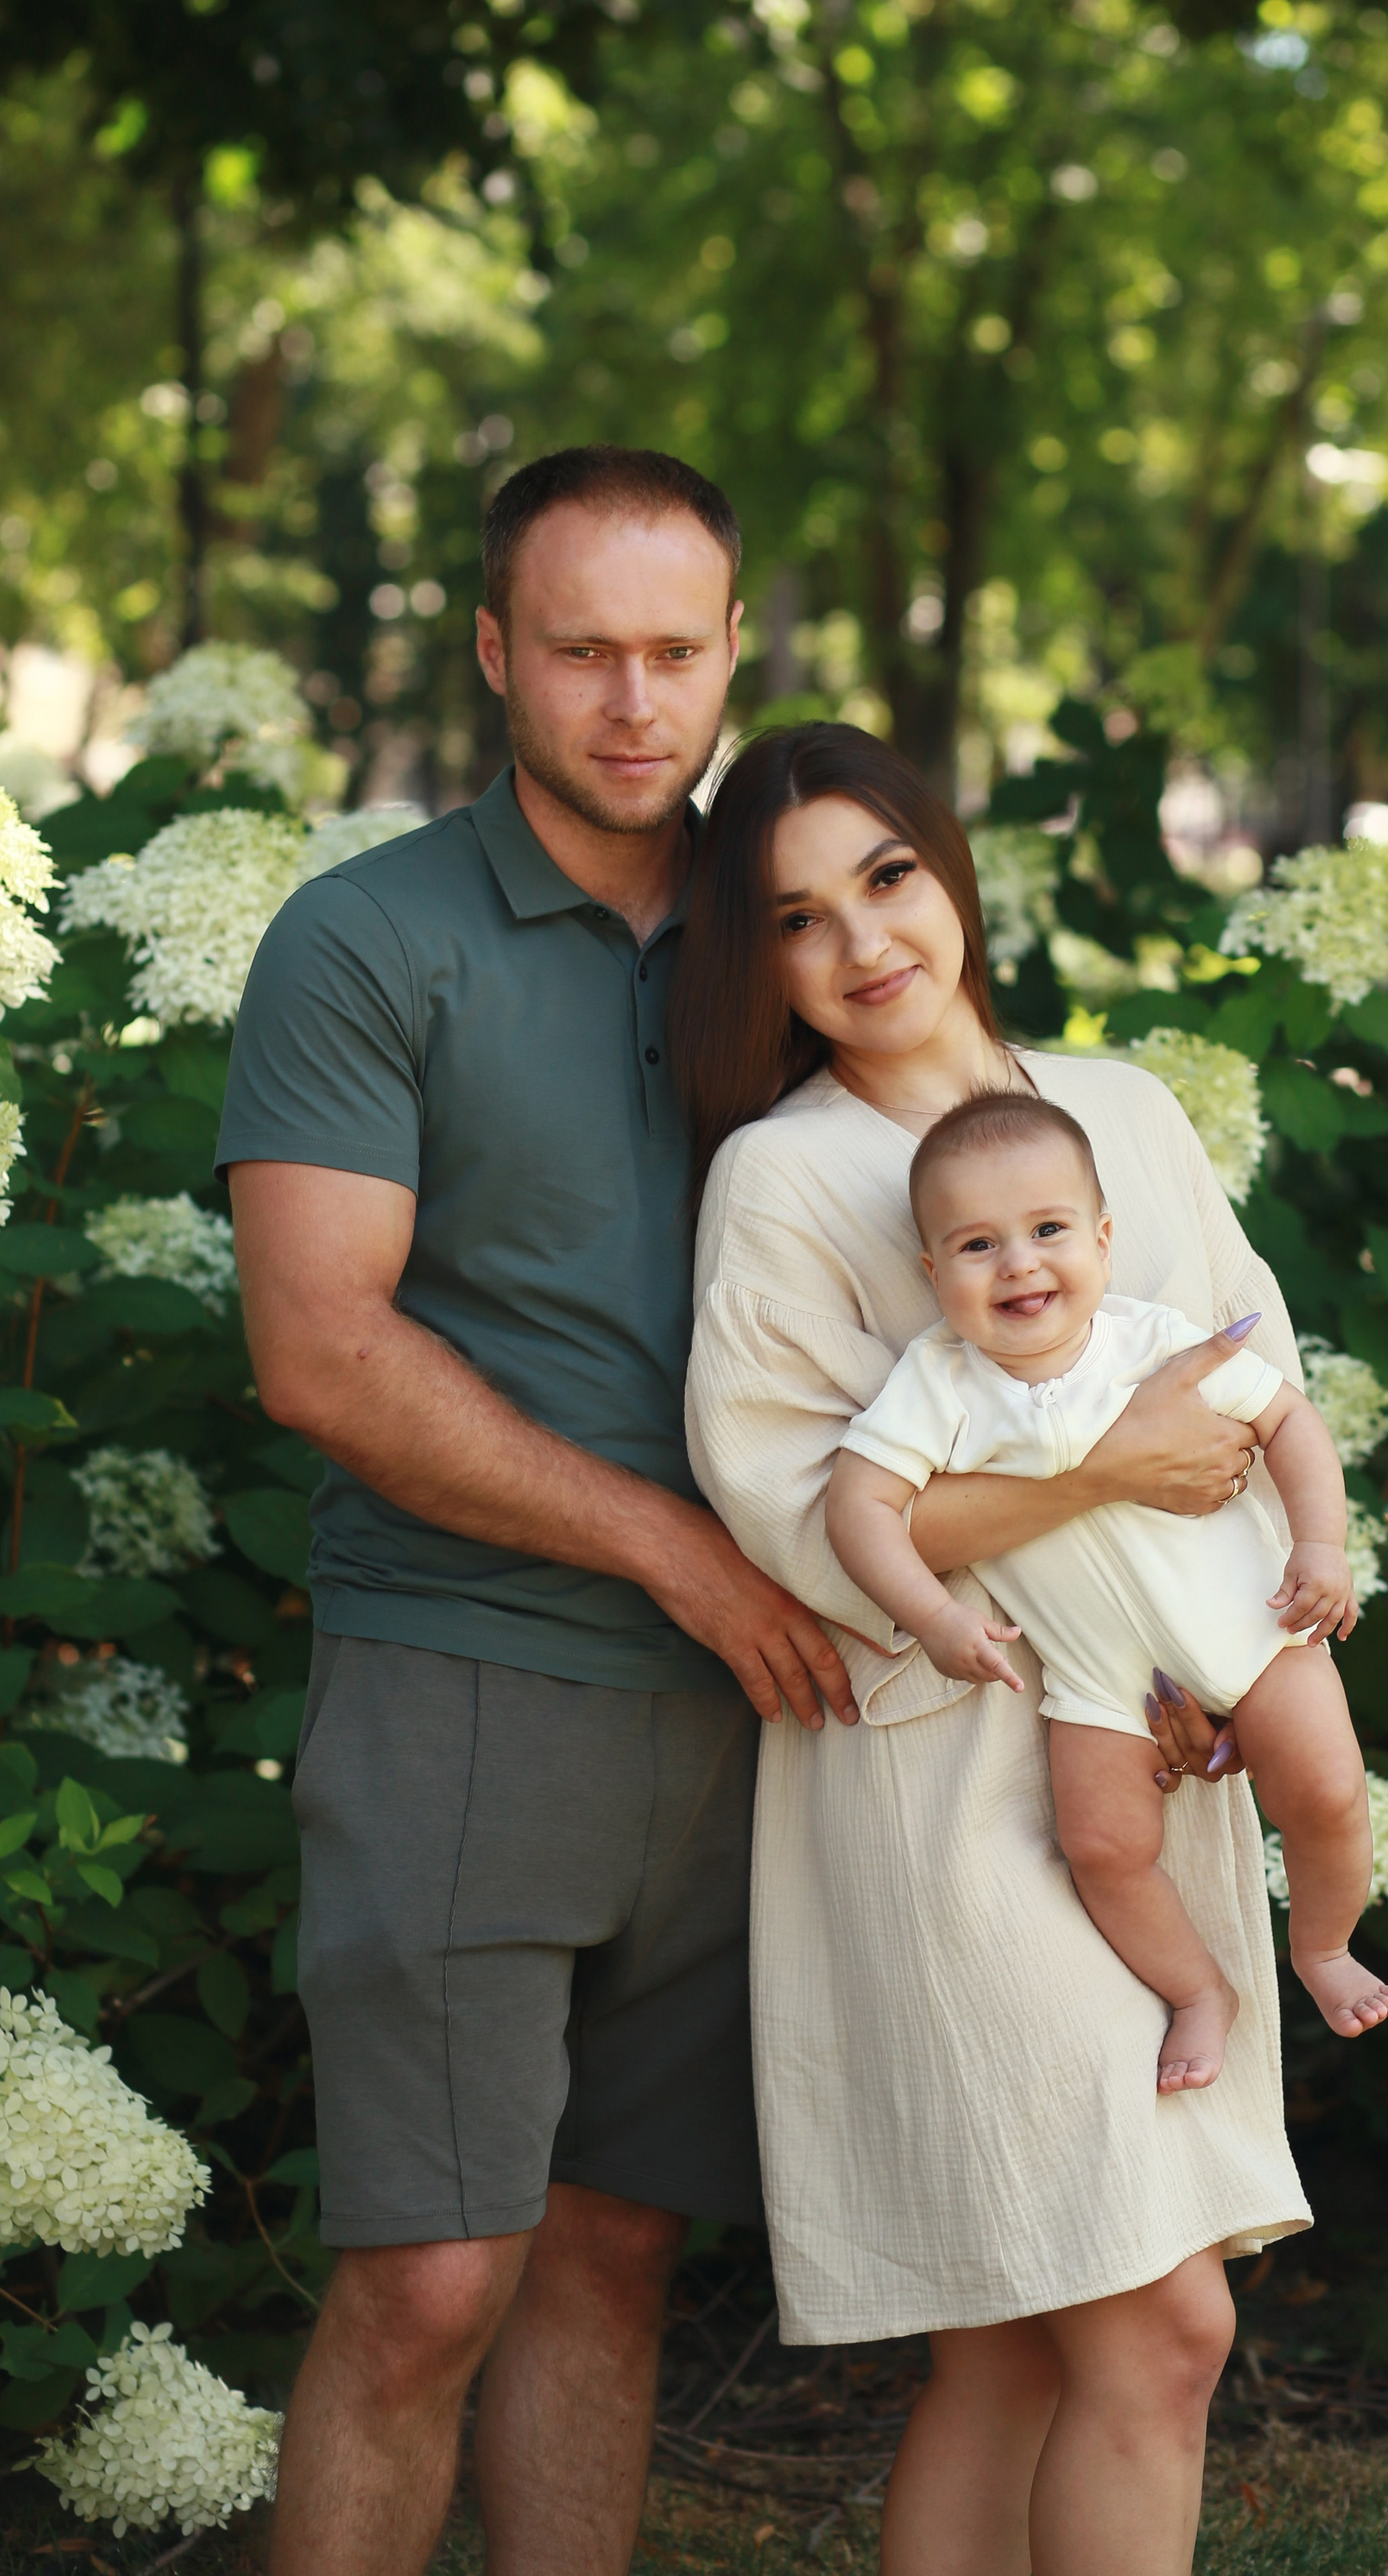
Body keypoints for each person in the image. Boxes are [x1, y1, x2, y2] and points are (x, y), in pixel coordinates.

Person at [217, 448, 854, 2576]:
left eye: (678, 651)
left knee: (612, 2249)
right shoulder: (369, 938)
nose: (633, 699)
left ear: (737, 650)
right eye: (580, 649)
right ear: (495, 651)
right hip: (470, 1676)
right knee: (429, 2280)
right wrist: (673, 1543)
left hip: (757, 1709)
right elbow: (320, 1350)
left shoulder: (799, 941)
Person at [676, 722, 1313, 2576]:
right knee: (1160, 2323)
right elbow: (800, 1524)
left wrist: (1232, 1639)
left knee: (1022, 2341)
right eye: (797, 919)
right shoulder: (785, 1182)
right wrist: (1102, 1467)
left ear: (946, 869)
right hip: (943, 1784)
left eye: (885, 875)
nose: (863, 940)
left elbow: (1251, 1375)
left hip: (1158, 1741)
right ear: (760, 963)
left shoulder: (1124, 1112)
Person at [827, 1085, 1388, 2097]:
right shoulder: (941, 1383)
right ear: (932, 1271)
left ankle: (1321, 1947)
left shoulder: (1153, 1344)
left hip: (1258, 1625)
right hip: (1102, 1681)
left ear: (1102, 1236)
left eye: (1049, 1229)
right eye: (976, 1245)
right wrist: (937, 1615)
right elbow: (858, 1507)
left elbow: (1289, 1422)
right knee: (1101, 1846)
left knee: (1325, 1787)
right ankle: (1198, 1990)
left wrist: (1322, 1542)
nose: (1019, 1263)